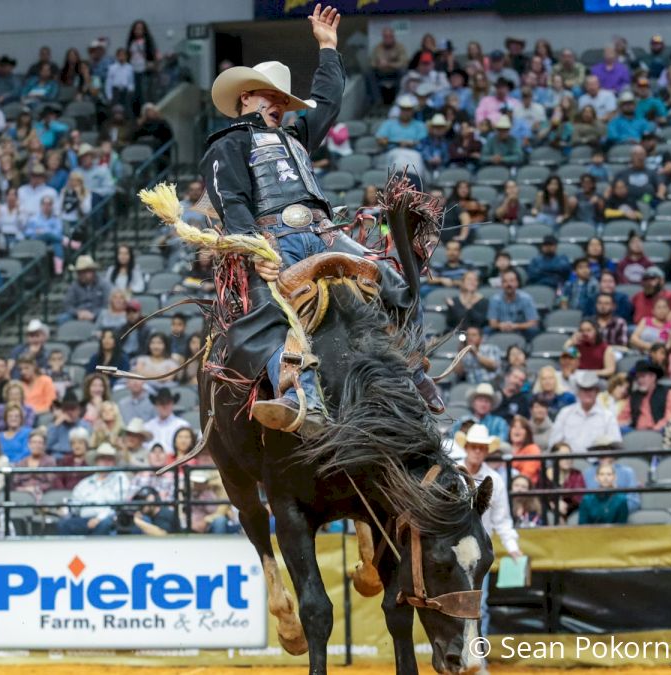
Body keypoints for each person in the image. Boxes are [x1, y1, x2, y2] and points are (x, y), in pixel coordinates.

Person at [202, 7, 441, 433]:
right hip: (276, 240)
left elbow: (328, 102)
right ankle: (300, 395)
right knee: (263, 320)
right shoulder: (229, 142)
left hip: (324, 234)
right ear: (246, 98)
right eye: (269, 96)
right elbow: (233, 202)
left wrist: (328, 48)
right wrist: (257, 250)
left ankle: (412, 368)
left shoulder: (296, 137)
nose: (277, 104)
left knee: (397, 282)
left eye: (281, 98)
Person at [456, 423, 521, 637]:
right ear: (467, 447)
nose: (477, 451)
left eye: (481, 447)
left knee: (478, 606)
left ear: (486, 451)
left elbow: (502, 520)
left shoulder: (496, 481)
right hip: (453, 547)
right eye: (474, 446)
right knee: (453, 604)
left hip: (478, 551)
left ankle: (476, 656)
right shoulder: (453, 473)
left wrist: (512, 547)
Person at [57, 443, 130, 535]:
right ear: (96, 461)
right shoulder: (85, 483)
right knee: (64, 524)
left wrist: (99, 518)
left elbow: (119, 504)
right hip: (84, 519)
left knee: (105, 524)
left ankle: (94, 549)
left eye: (109, 459)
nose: (106, 462)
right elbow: (75, 504)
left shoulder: (120, 477)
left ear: (114, 462)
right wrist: (66, 510)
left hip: (108, 517)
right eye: (102, 458)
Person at [547, 371, 621, 453]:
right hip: (568, 461)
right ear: (578, 392)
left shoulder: (608, 416)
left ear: (596, 392)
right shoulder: (565, 413)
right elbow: (553, 443)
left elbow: (615, 444)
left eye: (590, 389)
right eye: (583, 389)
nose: (587, 393)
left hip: (596, 462)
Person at [620, 360, 671, 432]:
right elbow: (623, 417)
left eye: (643, 376)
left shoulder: (668, 392)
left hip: (660, 431)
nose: (639, 380)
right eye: (637, 377)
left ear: (653, 377)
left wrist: (654, 430)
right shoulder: (633, 396)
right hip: (636, 432)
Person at [487, 269, 539, 341]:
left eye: (511, 281)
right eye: (505, 281)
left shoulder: (526, 298)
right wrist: (500, 325)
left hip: (521, 330)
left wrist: (516, 326)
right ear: (502, 284)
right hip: (500, 329)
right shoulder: (495, 299)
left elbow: (533, 322)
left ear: (517, 283)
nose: (509, 284)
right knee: (487, 330)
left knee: (533, 331)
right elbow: (492, 323)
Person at [59, 255, 111, 323]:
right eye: (79, 272)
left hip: (98, 314)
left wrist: (94, 314)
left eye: (84, 272)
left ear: (93, 271)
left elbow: (107, 305)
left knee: (106, 315)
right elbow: (67, 305)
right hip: (79, 314)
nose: (81, 275)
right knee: (62, 318)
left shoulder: (104, 284)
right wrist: (78, 313)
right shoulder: (74, 286)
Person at [141, 388, 190, 457]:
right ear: (156, 405)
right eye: (161, 403)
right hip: (152, 464)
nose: (164, 406)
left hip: (176, 463)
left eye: (167, 403)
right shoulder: (147, 427)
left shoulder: (182, 426)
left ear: (172, 404)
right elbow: (144, 448)